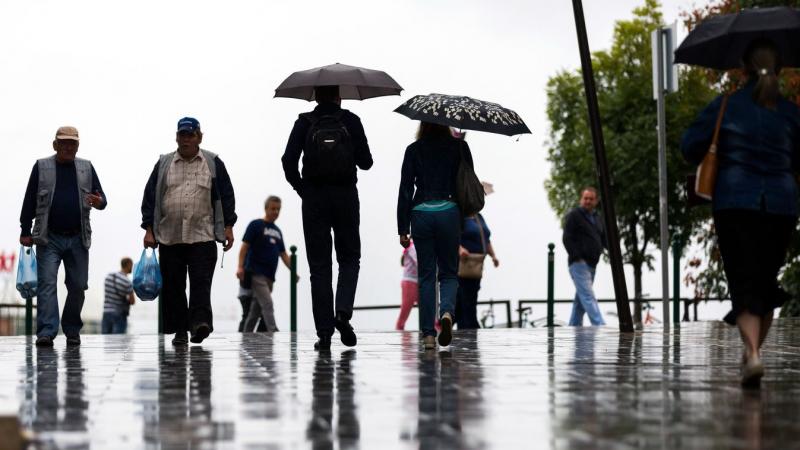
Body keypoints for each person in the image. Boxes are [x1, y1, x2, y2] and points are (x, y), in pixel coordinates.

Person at [682, 40, 800, 387]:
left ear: (744, 68)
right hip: (780, 203)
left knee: (744, 280)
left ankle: (752, 353)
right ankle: (752, 354)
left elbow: (690, 146)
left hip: (734, 202)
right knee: (765, 280)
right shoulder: (791, 113)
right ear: (779, 69)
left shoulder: (726, 106)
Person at [281, 85, 373, 351]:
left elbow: (288, 161)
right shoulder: (351, 121)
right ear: (339, 96)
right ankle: (342, 313)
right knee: (349, 258)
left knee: (319, 267)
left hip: (314, 200)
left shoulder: (304, 122)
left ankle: (324, 333)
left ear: (315, 97)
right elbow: (366, 162)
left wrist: (303, 189)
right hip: (345, 196)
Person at [141, 117, 236, 346]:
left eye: (190, 135)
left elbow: (227, 195)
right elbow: (150, 197)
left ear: (199, 137)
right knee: (174, 286)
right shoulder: (164, 163)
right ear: (176, 137)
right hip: (169, 235)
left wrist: (229, 226)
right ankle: (180, 331)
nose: (186, 139)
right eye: (182, 135)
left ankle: (199, 324)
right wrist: (148, 229)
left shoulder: (212, 162)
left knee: (200, 282)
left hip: (202, 234)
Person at [19, 126, 107, 347]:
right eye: (64, 143)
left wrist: (99, 202)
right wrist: (24, 230)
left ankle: (71, 329)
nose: (69, 147)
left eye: (73, 143)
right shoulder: (41, 166)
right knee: (47, 284)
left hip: (79, 238)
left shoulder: (87, 167)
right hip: (49, 238)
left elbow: (102, 199)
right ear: (55, 145)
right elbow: (29, 198)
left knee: (78, 285)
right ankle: (47, 332)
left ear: (78, 146)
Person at [397, 122, 474, 349]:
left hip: (420, 214)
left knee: (427, 276)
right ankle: (447, 313)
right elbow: (467, 180)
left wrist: (403, 228)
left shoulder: (413, 150)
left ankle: (429, 335)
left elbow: (405, 189)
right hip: (449, 212)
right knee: (449, 272)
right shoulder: (459, 147)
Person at [237, 196, 294, 332]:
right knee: (268, 304)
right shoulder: (256, 225)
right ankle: (274, 331)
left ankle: (246, 334)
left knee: (255, 310)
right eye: (273, 209)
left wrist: (294, 271)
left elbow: (283, 254)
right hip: (256, 273)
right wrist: (240, 267)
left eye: (278, 209)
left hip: (270, 276)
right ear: (266, 208)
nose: (275, 212)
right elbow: (244, 247)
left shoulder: (278, 231)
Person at [562, 187, 607, 327]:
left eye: (591, 199)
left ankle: (573, 326)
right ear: (581, 199)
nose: (587, 201)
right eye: (585, 198)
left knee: (580, 301)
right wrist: (577, 256)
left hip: (592, 264)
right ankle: (600, 325)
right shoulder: (574, 215)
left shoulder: (597, 218)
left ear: (596, 201)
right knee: (588, 296)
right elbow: (567, 238)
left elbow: (603, 238)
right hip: (579, 264)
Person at [456, 214, 499, 329]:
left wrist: (493, 256)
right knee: (465, 299)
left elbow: (486, 239)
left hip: (477, 264)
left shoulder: (479, 217)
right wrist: (459, 249)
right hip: (463, 264)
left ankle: (466, 326)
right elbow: (449, 236)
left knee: (469, 297)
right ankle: (469, 327)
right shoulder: (460, 216)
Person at [101, 257, 135, 334]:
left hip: (106, 312)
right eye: (131, 265)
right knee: (118, 342)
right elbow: (132, 301)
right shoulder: (127, 282)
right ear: (128, 264)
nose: (132, 268)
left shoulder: (109, 277)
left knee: (106, 340)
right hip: (119, 314)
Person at [395, 240, 418, 330]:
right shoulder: (412, 247)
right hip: (410, 282)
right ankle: (399, 329)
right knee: (405, 310)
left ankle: (435, 326)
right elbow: (419, 262)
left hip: (415, 281)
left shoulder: (412, 247)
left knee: (427, 307)